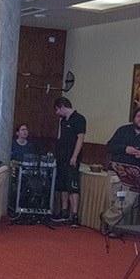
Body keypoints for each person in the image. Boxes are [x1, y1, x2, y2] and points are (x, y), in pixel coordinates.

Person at [100, 107, 140, 236]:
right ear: (134, 118)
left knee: (126, 202)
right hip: (117, 171)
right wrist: (125, 149)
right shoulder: (123, 130)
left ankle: (105, 217)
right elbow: (110, 146)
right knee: (116, 200)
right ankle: (115, 230)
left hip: (134, 174)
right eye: (139, 116)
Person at [52, 97, 86, 227]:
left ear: (62, 107)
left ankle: (75, 215)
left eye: (57, 110)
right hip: (62, 157)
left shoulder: (79, 119)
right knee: (62, 185)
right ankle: (64, 211)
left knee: (72, 186)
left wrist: (74, 156)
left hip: (72, 157)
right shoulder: (63, 121)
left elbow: (80, 139)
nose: (57, 113)